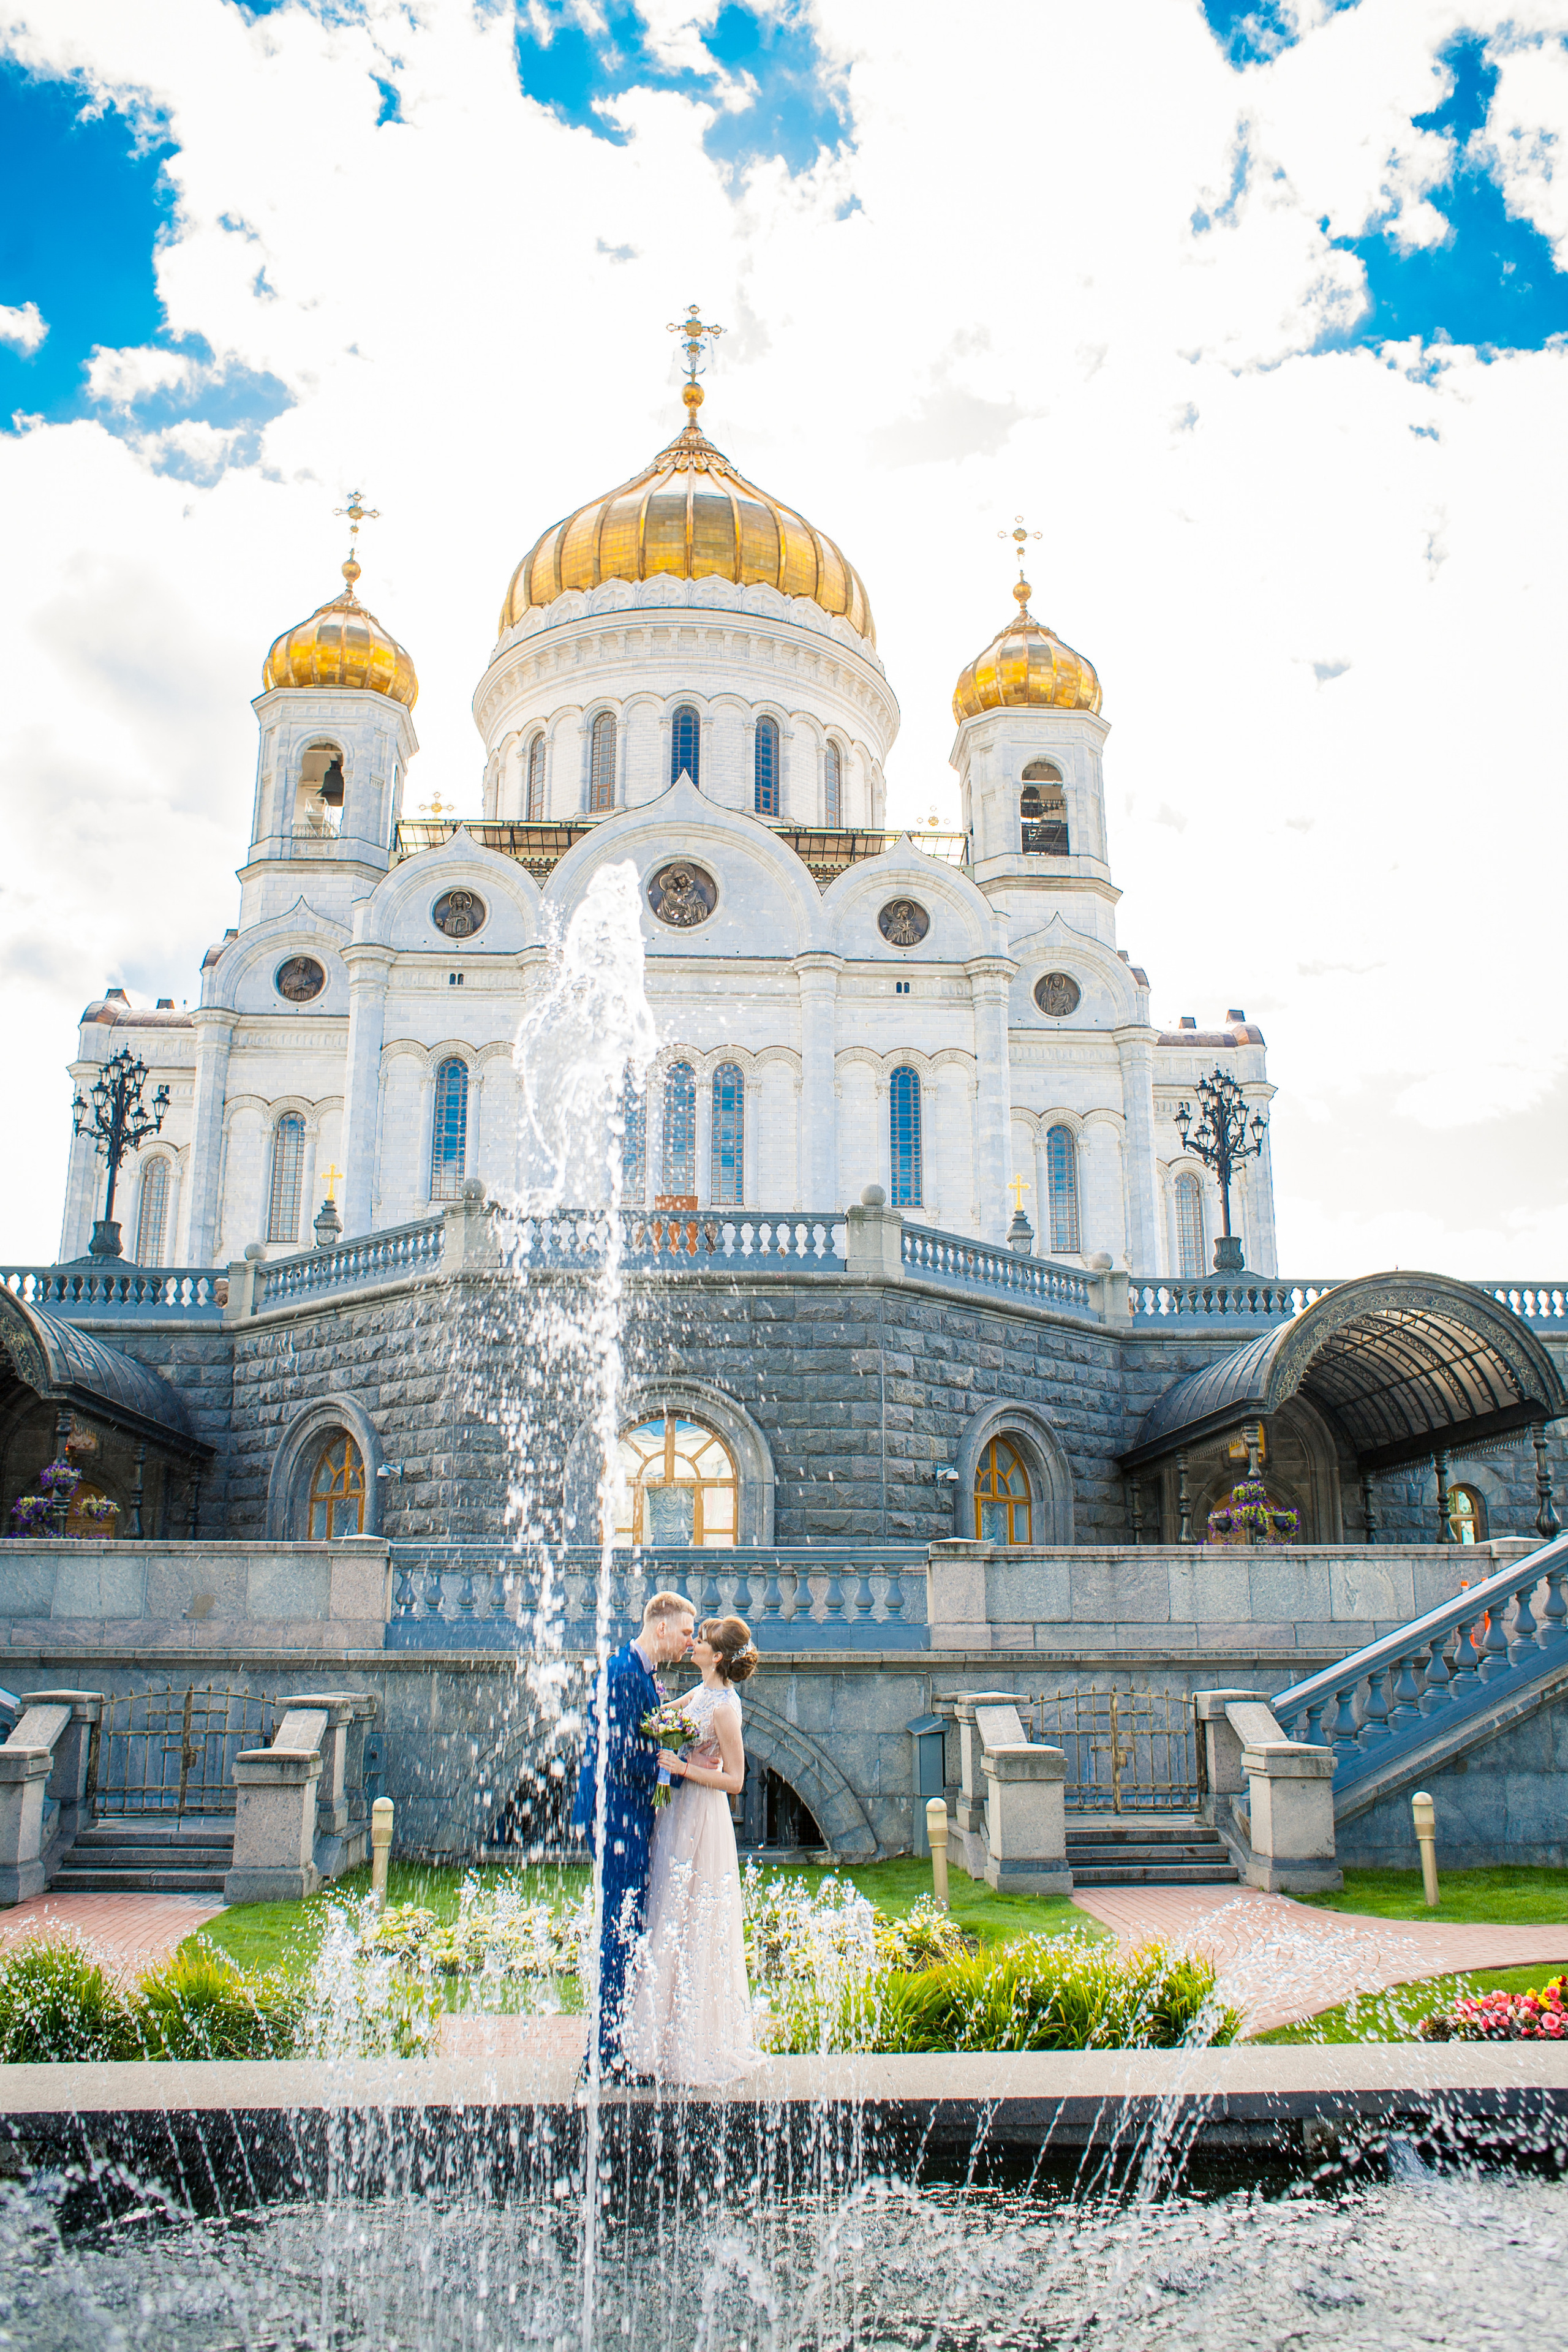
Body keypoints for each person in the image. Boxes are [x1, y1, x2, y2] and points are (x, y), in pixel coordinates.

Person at [624, 1613, 763, 2085]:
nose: (693, 1643)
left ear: (717, 1656)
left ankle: (698, 2043)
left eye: (700, 1640)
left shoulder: (724, 1707)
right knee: (670, 1913)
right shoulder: (700, 1693)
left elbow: (736, 1780)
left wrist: (683, 1769)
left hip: (704, 1815)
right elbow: (661, 1718)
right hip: (679, 1815)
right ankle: (660, 2039)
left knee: (696, 1918)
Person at [572, 1588, 695, 2079]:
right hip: (616, 1816)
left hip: (623, 1816)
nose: (689, 1642)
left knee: (624, 1928)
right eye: (686, 1632)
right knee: (619, 1932)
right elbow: (623, 1757)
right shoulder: (626, 1675)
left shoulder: (637, 1672)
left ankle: (609, 2049)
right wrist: (677, 1767)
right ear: (661, 1626)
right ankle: (603, 2058)